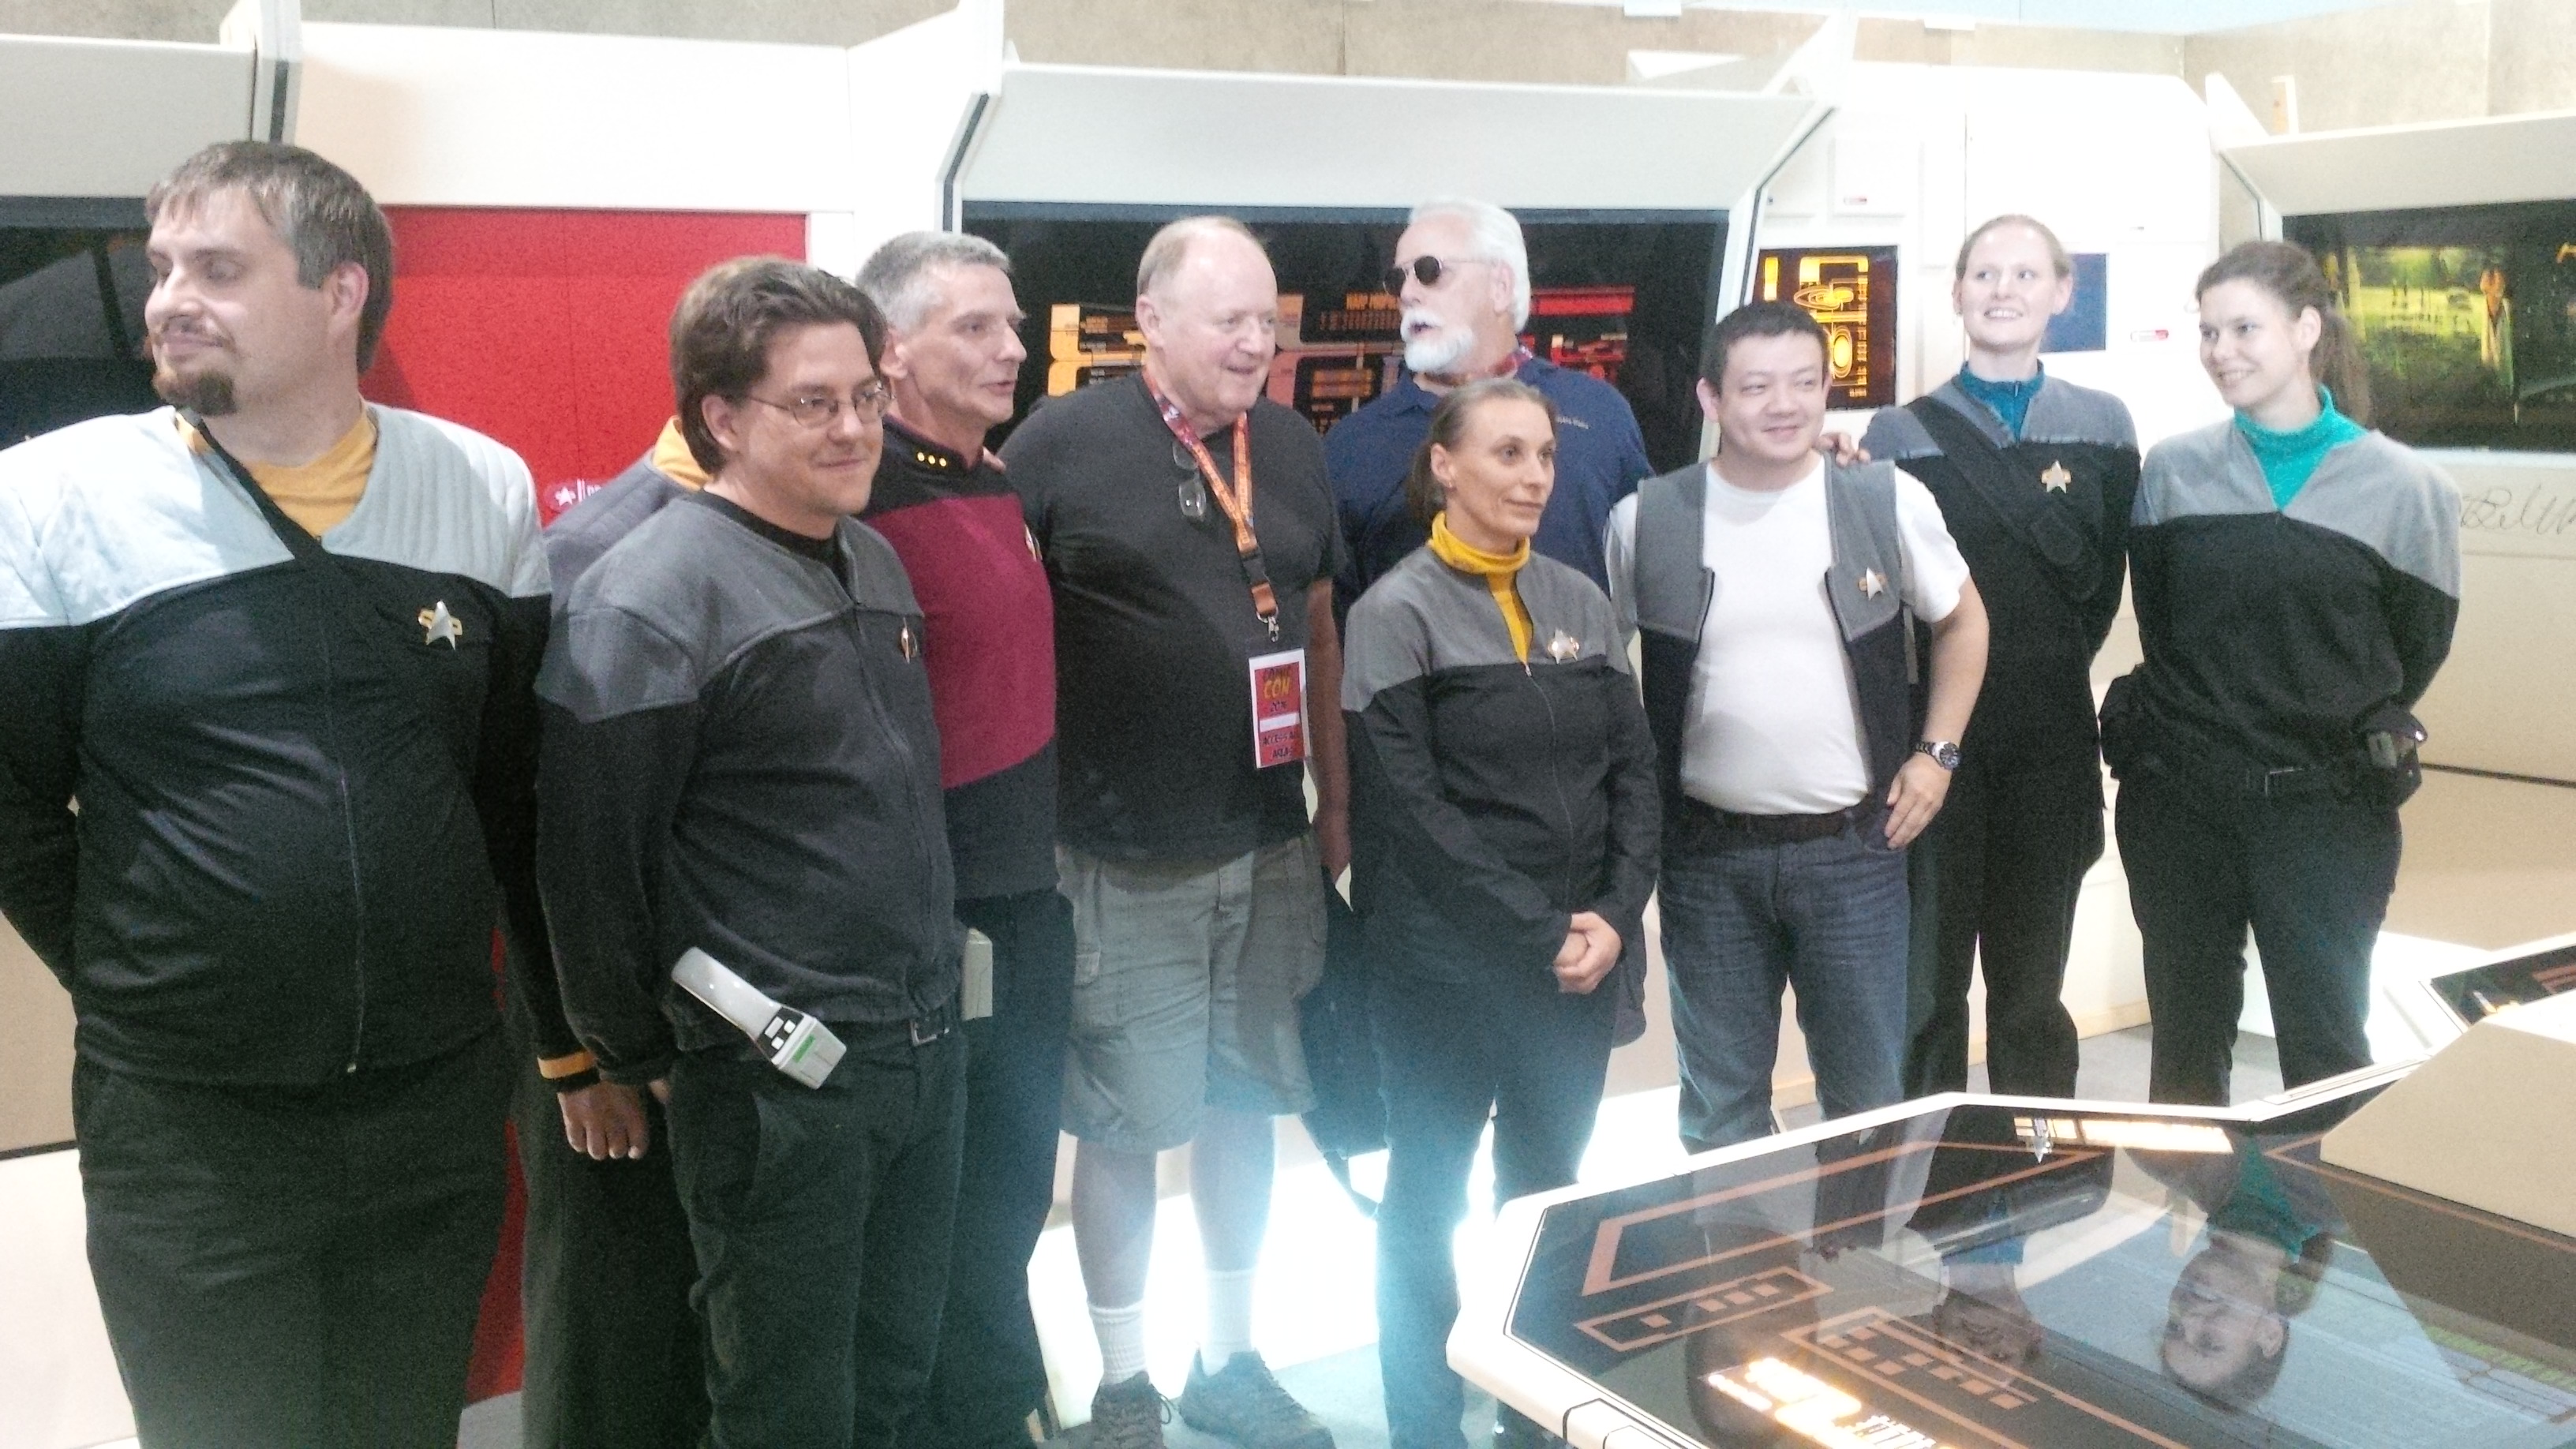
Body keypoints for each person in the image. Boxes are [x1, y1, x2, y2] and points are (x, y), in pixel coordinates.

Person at [0, 141, 550, 1447]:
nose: (168, 300)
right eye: (163, 268)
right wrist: (150, 979)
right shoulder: (52, 499)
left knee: (399, 1426)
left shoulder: (479, 487)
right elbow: (9, 804)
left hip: (431, 1105)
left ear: (340, 290)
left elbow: (506, 785)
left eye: (218, 269)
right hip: (190, 1129)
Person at [535, 257, 964, 1449]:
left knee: (893, 1380)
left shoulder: (872, 557)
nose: (854, 428)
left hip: (921, 1048)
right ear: (721, 417)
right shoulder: (645, 599)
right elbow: (588, 869)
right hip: (781, 1084)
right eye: (812, 403)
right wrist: (641, 1054)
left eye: (866, 397)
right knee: (785, 1405)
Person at [1002, 215, 1347, 1449]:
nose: (1256, 343)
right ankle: (1123, 1385)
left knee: (1249, 1105)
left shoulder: (1291, 445)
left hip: (1269, 847)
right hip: (1118, 858)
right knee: (1125, 1126)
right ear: (1150, 319)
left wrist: (1336, 814)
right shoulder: (1058, 443)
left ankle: (1230, 1359)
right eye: (1229, 320)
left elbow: (1316, 627)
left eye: (1269, 322)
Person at [1341, 378, 1658, 1449]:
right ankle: (1426, 1428)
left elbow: (1635, 774)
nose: (1534, 477)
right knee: (1427, 1201)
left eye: (1545, 457)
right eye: (1507, 454)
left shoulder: (1579, 600)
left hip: (1577, 967)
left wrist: (1615, 915)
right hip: (1444, 972)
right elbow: (1412, 814)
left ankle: (1536, 1423)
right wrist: (1541, 930)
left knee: (1547, 1200)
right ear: (1445, 466)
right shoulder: (1393, 613)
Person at [1608, 301, 1988, 1153]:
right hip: (1707, 860)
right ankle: (1736, 1243)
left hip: (1855, 854)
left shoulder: (1884, 499)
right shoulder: (1648, 519)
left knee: (1867, 1102)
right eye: (1756, 387)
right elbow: (1599, 671)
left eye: (1804, 384)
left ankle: (1861, 1242)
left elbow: (1964, 620)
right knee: (1720, 1107)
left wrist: (1936, 756)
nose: (1783, 405)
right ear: (1711, 398)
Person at [2105, 239, 2460, 1106]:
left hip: (2327, 814)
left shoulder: (2408, 490)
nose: (2221, 351)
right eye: (2208, 332)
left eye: (2244, 329)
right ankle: (2198, 1201)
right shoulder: (2174, 471)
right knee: (2184, 1054)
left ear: (2306, 330)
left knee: (2326, 1053)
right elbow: (2165, 626)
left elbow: (2415, 649)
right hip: (2179, 805)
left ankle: (2317, 1201)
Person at [854, 230, 1074, 1449]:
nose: (1013, 348)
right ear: (892, 350)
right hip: (939, 923)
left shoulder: (990, 479)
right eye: (975, 327)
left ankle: (996, 1409)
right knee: (947, 1218)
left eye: (1014, 323)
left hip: (1025, 901)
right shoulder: (863, 499)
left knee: (1007, 1200)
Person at [1860, 215, 2139, 1101]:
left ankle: (2039, 1161)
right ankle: (1919, 1165)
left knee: (2032, 992)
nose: (2004, 291)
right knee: (1925, 992)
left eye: (2025, 274)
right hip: (1932, 747)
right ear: (1956, 293)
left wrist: (2044, 666)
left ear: (2062, 292)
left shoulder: (2104, 427)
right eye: (1985, 274)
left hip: (2051, 742)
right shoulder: (1898, 434)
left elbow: (2100, 587)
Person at [510, 396, 724, 1447]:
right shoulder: (592, 555)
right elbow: (529, 837)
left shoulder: (804, 539)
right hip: (615, 1021)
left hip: (732, 1015)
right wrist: (576, 1056)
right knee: (615, 1324)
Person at [1327, 198, 1651, 603]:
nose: (1407, 294)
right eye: (1398, 280)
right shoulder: (1354, 444)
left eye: (1429, 271)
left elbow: (1644, 573)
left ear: (1500, 286)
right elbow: (1332, 614)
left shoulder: (1597, 411)